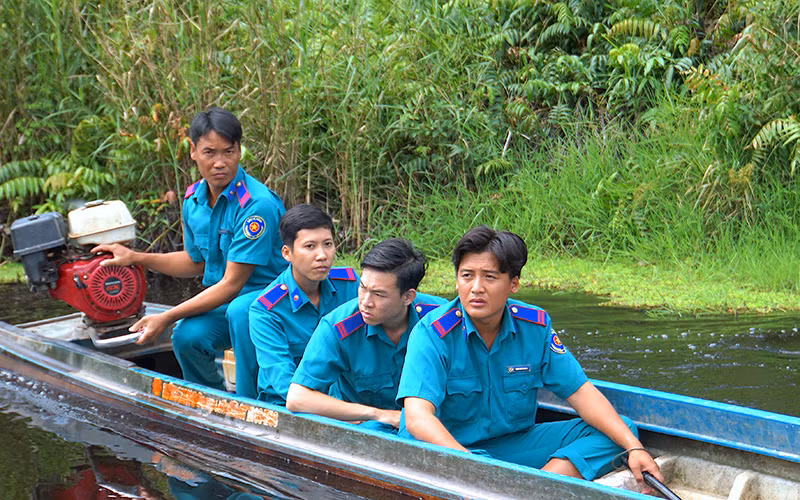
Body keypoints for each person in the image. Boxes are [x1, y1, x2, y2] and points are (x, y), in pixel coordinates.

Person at [397, 226, 664, 490]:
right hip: (445, 450)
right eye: (467, 276)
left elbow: (581, 393)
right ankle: (524, 486)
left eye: (490, 277)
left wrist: (634, 448)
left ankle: (535, 486)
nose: (476, 288)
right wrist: (472, 465)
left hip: (510, 445)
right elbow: (418, 419)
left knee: (622, 431)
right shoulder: (432, 333)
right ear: (457, 280)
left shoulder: (534, 327)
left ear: (513, 284)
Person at [92, 107, 287, 396]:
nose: (220, 163)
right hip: (229, 301)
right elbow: (195, 262)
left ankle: (253, 401)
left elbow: (232, 284)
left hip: (271, 300)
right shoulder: (194, 200)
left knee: (240, 313)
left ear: (239, 151)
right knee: (187, 337)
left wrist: (167, 316)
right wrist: (136, 258)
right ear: (193, 151)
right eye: (209, 153)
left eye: (228, 152)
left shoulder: (256, 205)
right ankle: (211, 400)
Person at [285, 238, 446, 432]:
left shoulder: (439, 320)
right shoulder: (338, 327)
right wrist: (377, 414)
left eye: (379, 294)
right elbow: (297, 398)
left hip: (430, 427)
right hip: (366, 429)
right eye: (362, 287)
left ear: (408, 297)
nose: (366, 302)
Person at [247, 204, 359, 404]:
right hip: (287, 405)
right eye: (310, 246)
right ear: (287, 253)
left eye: (328, 244)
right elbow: (286, 385)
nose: (322, 255)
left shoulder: (350, 286)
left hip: (345, 397)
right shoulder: (266, 311)